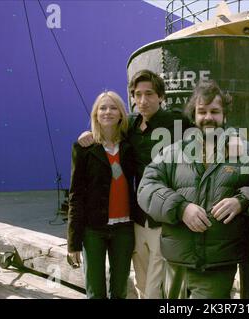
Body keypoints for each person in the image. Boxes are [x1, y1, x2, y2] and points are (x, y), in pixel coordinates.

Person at [137, 80, 249, 299]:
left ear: (224, 115)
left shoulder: (246, 153)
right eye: (202, 111)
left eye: (215, 111)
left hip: (216, 266)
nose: (208, 117)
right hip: (176, 264)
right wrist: (181, 208)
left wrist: (242, 200)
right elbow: (146, 187)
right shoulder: (174, 152)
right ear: (194, 116)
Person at [77, 70, 190, 299]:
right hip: (137, 219)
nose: (143, 100)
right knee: (140, 282)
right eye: (137, 95)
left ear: (161, 96)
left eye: (149, 94)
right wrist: (87, 134)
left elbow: (205, 142)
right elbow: (108, 132)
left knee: (156, 289)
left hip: (164, 220)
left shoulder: (177, 123)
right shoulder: (131, 125)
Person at [67, 91, 135, 299]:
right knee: (95, 291)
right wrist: (73, 242)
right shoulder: (84, 148)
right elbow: (75, 195)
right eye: (102, 108)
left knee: (120, 289)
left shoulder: (130, 146)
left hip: (124, 228)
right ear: (95, 114)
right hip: (93, 229)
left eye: (113, 107)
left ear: (122, 114)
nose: (108, 112)